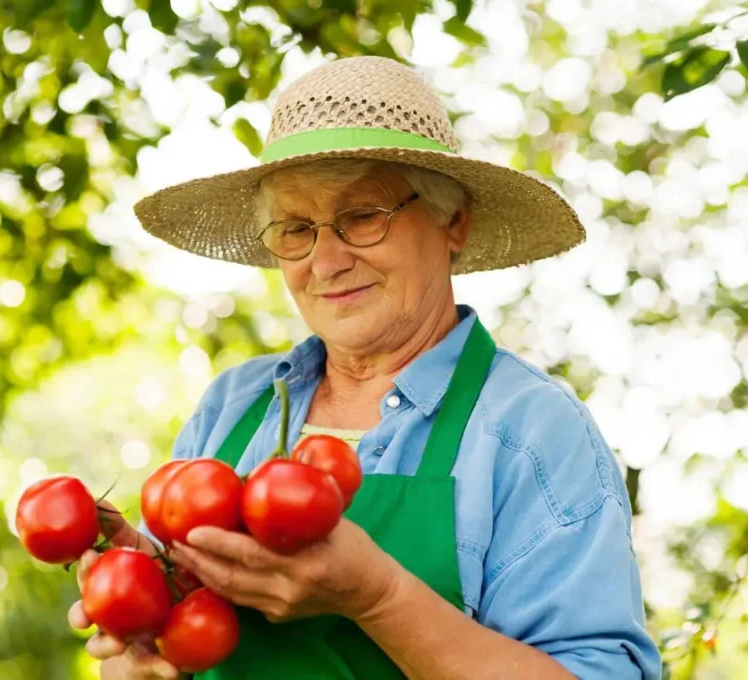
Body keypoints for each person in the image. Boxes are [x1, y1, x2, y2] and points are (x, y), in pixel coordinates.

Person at [68, 56, 662, 680]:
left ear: (451, 220)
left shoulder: (532, 432)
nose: (325, 262)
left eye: (361, 217)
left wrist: (378, 597)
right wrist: (142, 634)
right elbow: (168, 650)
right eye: (296, 229)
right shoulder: (235, 405)